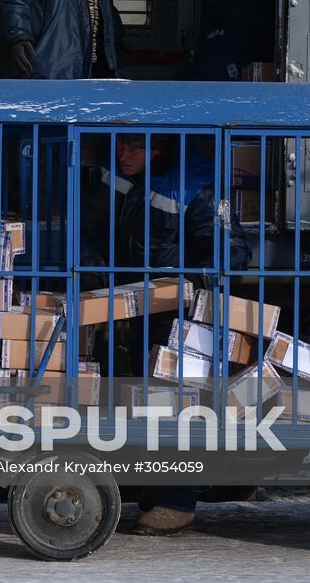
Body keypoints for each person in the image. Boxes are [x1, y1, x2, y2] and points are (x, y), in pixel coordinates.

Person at [95, 133, 251, 536]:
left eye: (134, 146)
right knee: (152, 402)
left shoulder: (198, 183)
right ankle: (165, 486)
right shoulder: (131, 175)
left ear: (160, 148)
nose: (123, 153)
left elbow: (232, 253)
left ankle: (178, 502)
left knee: (179, 404)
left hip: (181, 315)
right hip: (142, 308)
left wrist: (186, 285)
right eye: (121, 145)